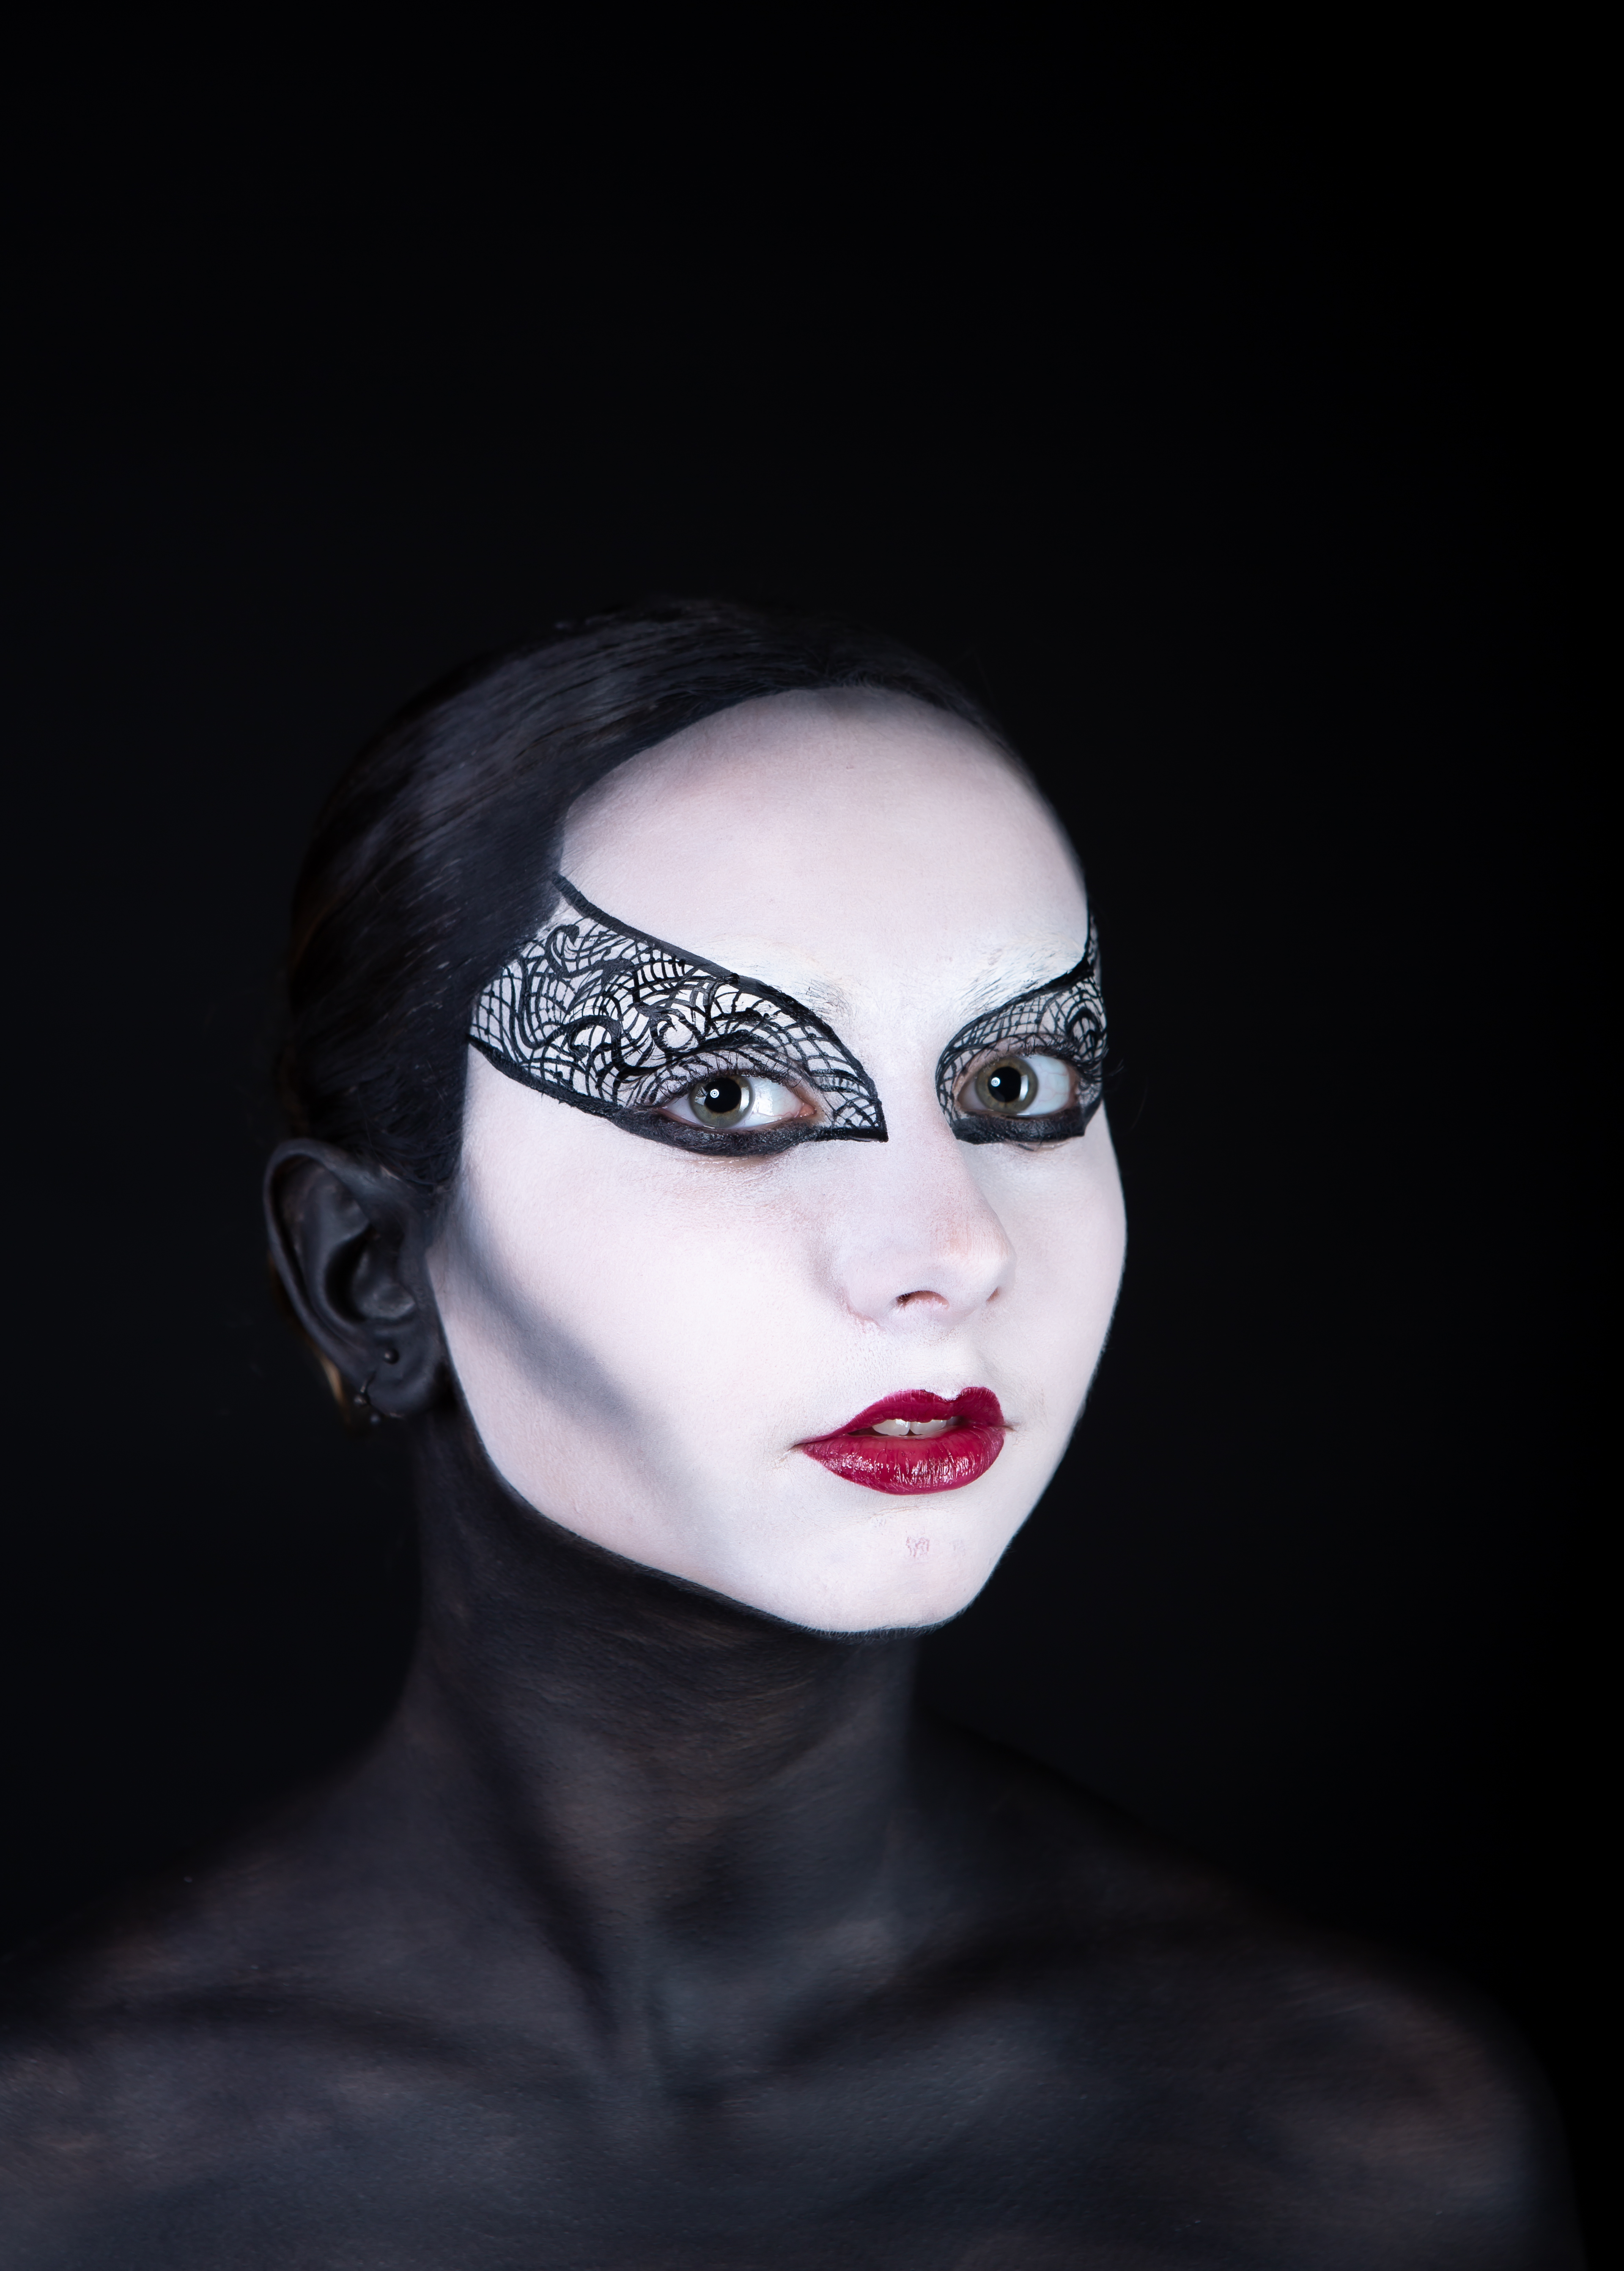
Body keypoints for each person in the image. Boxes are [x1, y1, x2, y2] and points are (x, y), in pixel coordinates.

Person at [0, 604, 1580, 2264]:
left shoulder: (1351, 2147)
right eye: (728, 1098)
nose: (953, 1251)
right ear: (373, 1272)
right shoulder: (66, 2182)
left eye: (1021, 1086)